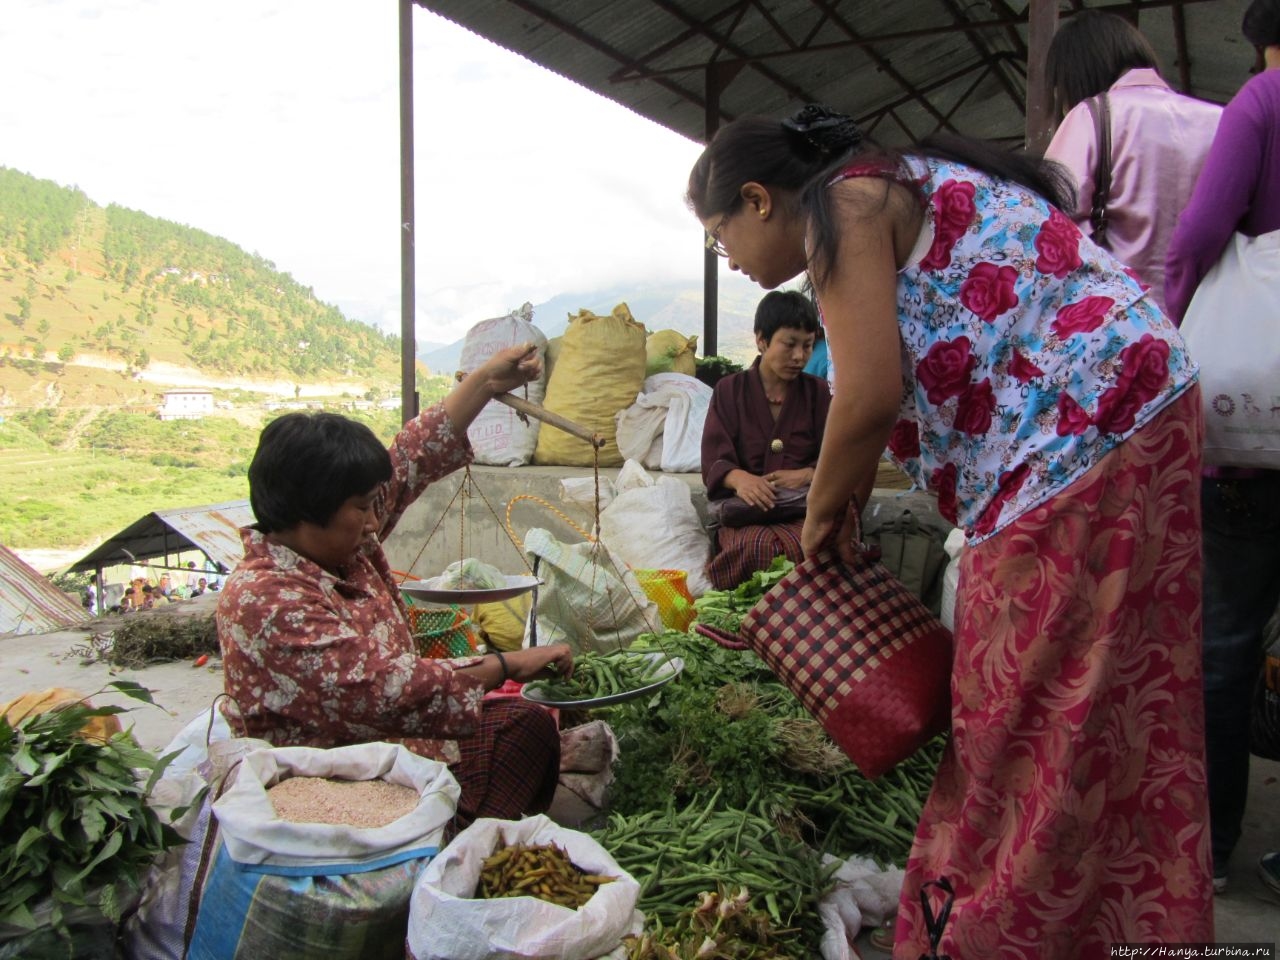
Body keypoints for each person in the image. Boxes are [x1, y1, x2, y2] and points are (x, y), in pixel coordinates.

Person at [688, 104, 1209, 955]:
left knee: (1018, 723)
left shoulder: (844, 208)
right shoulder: (893, 185)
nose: (732, 262)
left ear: (757, 200)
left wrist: (822, 519)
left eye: (719, 239)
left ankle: (996, 936)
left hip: (1080, 440)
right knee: (1107, 713)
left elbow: (866, 398)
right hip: (1130, 412)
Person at [216, 343, 574, 828]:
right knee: (497, 746)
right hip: (332, 778)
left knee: (525, 727)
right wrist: (508, 664)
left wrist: (488, 381)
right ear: (308, 512)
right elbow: (389, 690)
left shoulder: (341, 540)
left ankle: (461, 831)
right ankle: (443, 846)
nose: (373, 520)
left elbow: (410, 458)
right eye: (362, 507)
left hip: (401, 746)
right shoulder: (266, 600)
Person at [1165, 0, 1280, 897]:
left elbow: (1203, 233)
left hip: (1251, 451)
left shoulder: (1264, 99)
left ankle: (1214, 848)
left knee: (1228, 646)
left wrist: (1178, 311)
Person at [1043, 9, 1221, 314]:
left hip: (1126, 329)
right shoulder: (1222, 121)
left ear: (1075, 72)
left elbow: (1050, 228)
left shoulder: (1091, 117)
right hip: (1212, 323)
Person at [700, 289, 831, 590]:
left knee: (811, 546)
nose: (799, 356)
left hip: (802, 509)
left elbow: (834, 455)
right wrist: (739, 479)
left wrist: (809, 474)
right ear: (761, 340)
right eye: (789, 344)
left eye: (808, 346)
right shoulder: (729, 391)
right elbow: (713, 458)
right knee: (758, 549)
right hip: (747, 515)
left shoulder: (818, 393)